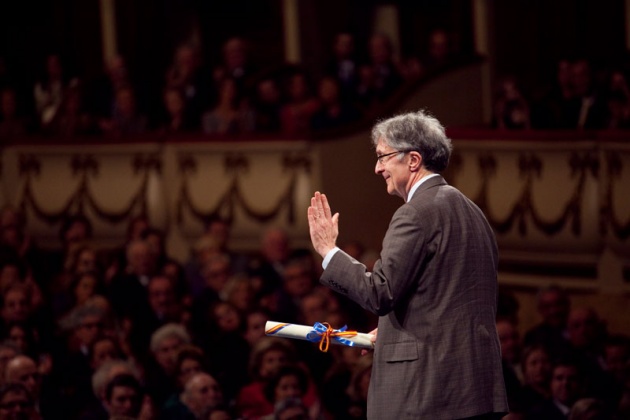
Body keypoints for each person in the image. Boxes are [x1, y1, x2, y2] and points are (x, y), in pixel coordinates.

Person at [306, 110, 508, 419]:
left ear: (413, 160)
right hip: (475, 387)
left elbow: (379, 293)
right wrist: (391, 332)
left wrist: (328, 251)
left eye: (383, 157)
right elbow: (444, 302)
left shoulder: (414, 213)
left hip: (428, 392)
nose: (377, 168)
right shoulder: (473, 212)